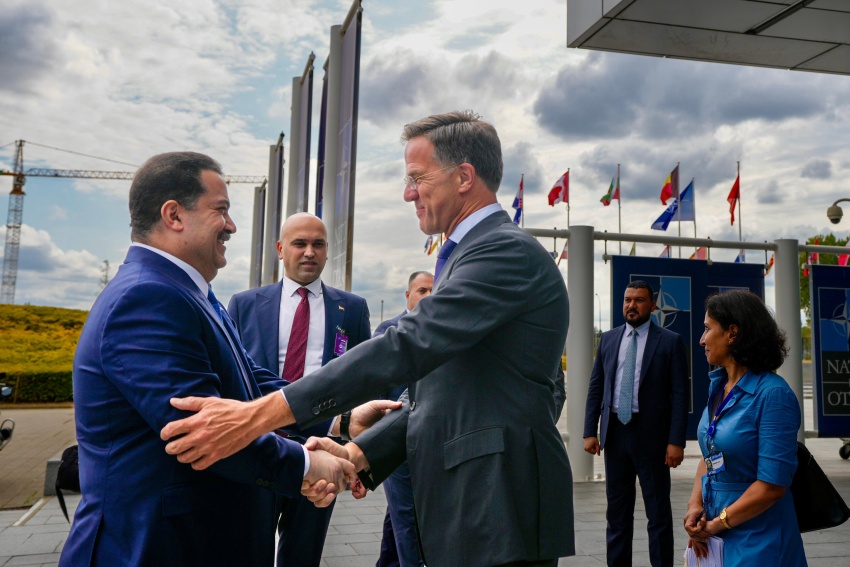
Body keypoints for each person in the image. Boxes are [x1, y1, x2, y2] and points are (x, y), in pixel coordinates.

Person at [161, 110, 575, 567]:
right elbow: (441, 392)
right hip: (480, 507)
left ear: (463, 177)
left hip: (501, 505)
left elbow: (405, 345)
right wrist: (359, 452)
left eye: (417, 178)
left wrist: (256, 415)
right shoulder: (472, 254)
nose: (408, 193)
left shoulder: (503, 250)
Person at [59, 152, 356, 567]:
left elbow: (250, 380)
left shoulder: (187, 291)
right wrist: (307, 464)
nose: (231, 226)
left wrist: (339, 421)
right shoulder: (145, 297)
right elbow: (205, 432)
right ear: (174, 215)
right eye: (221, 210)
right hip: (155, 548)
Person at [227, 212, 372, 567]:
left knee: (303, 554)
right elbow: (234, 376)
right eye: (299, 243)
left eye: (318, 244)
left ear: (327, 251)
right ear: (280, 249)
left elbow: (364, 381)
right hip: (261, 447)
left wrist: (359, 454)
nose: (309, 252)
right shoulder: (244, 305)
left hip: (322, 451)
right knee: (248, 550)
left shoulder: (352, 309)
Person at [684, 290, 806, 565]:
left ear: (733, 333)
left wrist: (717, 524)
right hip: (716, 532)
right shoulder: (719, 387)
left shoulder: (773, 395)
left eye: (707, 329)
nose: (702, 339)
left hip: (759, 538)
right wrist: (695, 506)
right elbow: (710, 455)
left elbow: (772, 486)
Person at [583, 280, 689, 567]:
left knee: (658, 514)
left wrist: (676, 441)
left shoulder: (669, 341)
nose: (631, 305)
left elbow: (680, 395)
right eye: (627, 300)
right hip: (616, 435)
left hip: (652, 438)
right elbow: (596, 387)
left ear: (652, 306)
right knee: (617, 514)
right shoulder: (608, 340)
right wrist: (590, 431)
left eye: (639, 300)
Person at [373, 271, 433, 567]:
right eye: (422, 290)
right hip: (398, 439)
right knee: (407, 516)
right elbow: (374, 380)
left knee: (400, 512)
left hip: (431, 438)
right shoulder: (389, 330)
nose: (429, 296)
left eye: (434, 290)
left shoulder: (440, 332)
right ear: (408, 295)